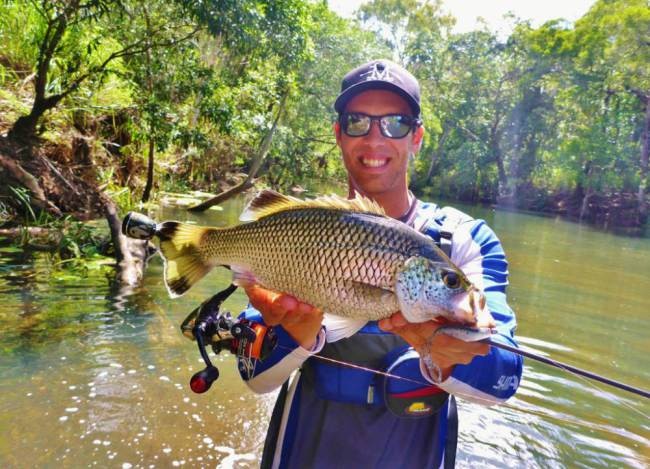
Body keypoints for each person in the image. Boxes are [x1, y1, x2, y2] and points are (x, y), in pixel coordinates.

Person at [237, 59, 523, 469]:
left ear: (417, 137)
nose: (374, 139)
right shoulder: (299, 229)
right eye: (357, 122)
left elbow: (505, 379)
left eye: (395, 123)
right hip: (306, 442)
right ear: (338, 134)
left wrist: (453, 352)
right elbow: (254, 376)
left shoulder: (465, 241)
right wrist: (296, 335)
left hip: (414, 450)